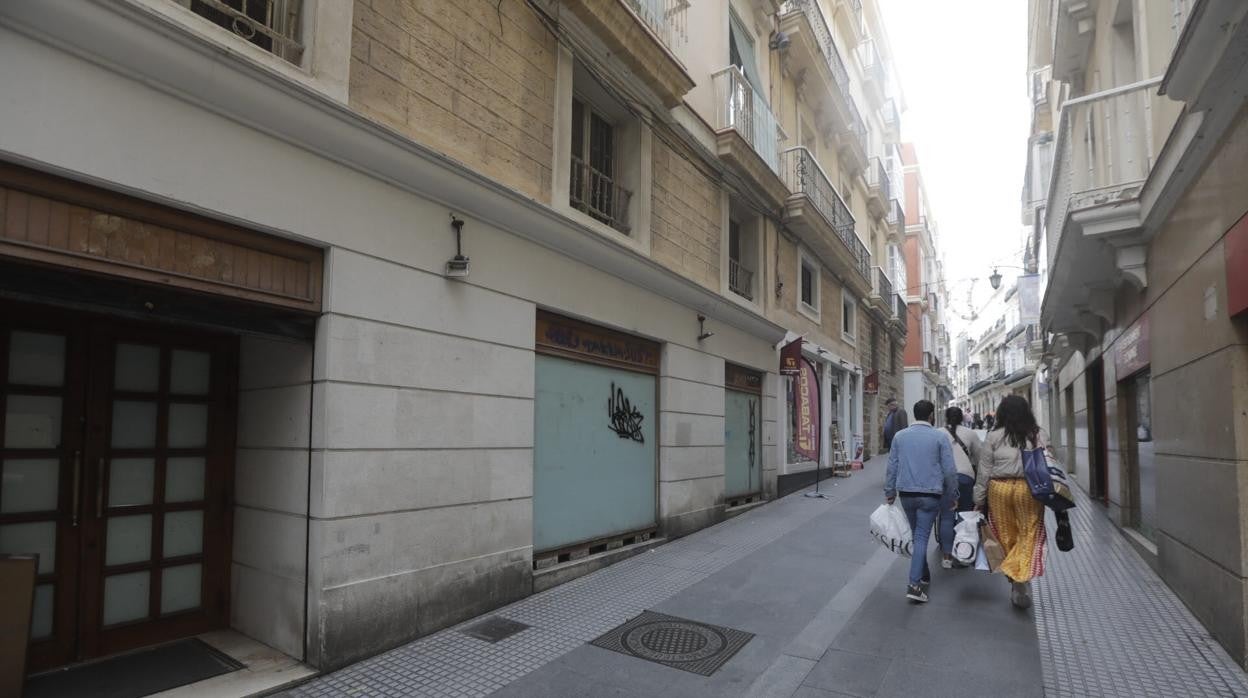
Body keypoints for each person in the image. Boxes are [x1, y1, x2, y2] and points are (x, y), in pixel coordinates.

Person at [974, 395, 1047, 609]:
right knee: (1029, 533)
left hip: (999, 489)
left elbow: (984, 471)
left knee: (1005, 535)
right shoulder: (1038, 434)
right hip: (1029, 489)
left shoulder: (994, 436)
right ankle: (1020, 578)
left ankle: (1016, 580)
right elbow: (1049, 463)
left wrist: (978, 499)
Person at [885, 399, 958, 603]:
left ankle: (923, 574)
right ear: (931, 415)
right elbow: (950, 471)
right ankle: (914, 584)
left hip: (906, 494)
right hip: (930, 495)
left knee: (918, 537)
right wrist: (952, 495)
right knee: (921, 538)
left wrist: (889, 491)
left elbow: (892, 465)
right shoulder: (939, 437)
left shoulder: (900, 437)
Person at [937, 406, 983, 568]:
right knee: (965, 515)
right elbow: (980, 458)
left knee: (946, 516)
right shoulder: (971, 434)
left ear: (946, 418)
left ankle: (947, 557)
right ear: (962, 418)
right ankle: (964, 552)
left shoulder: (938, 433)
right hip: (965, 478)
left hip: (945, 478)